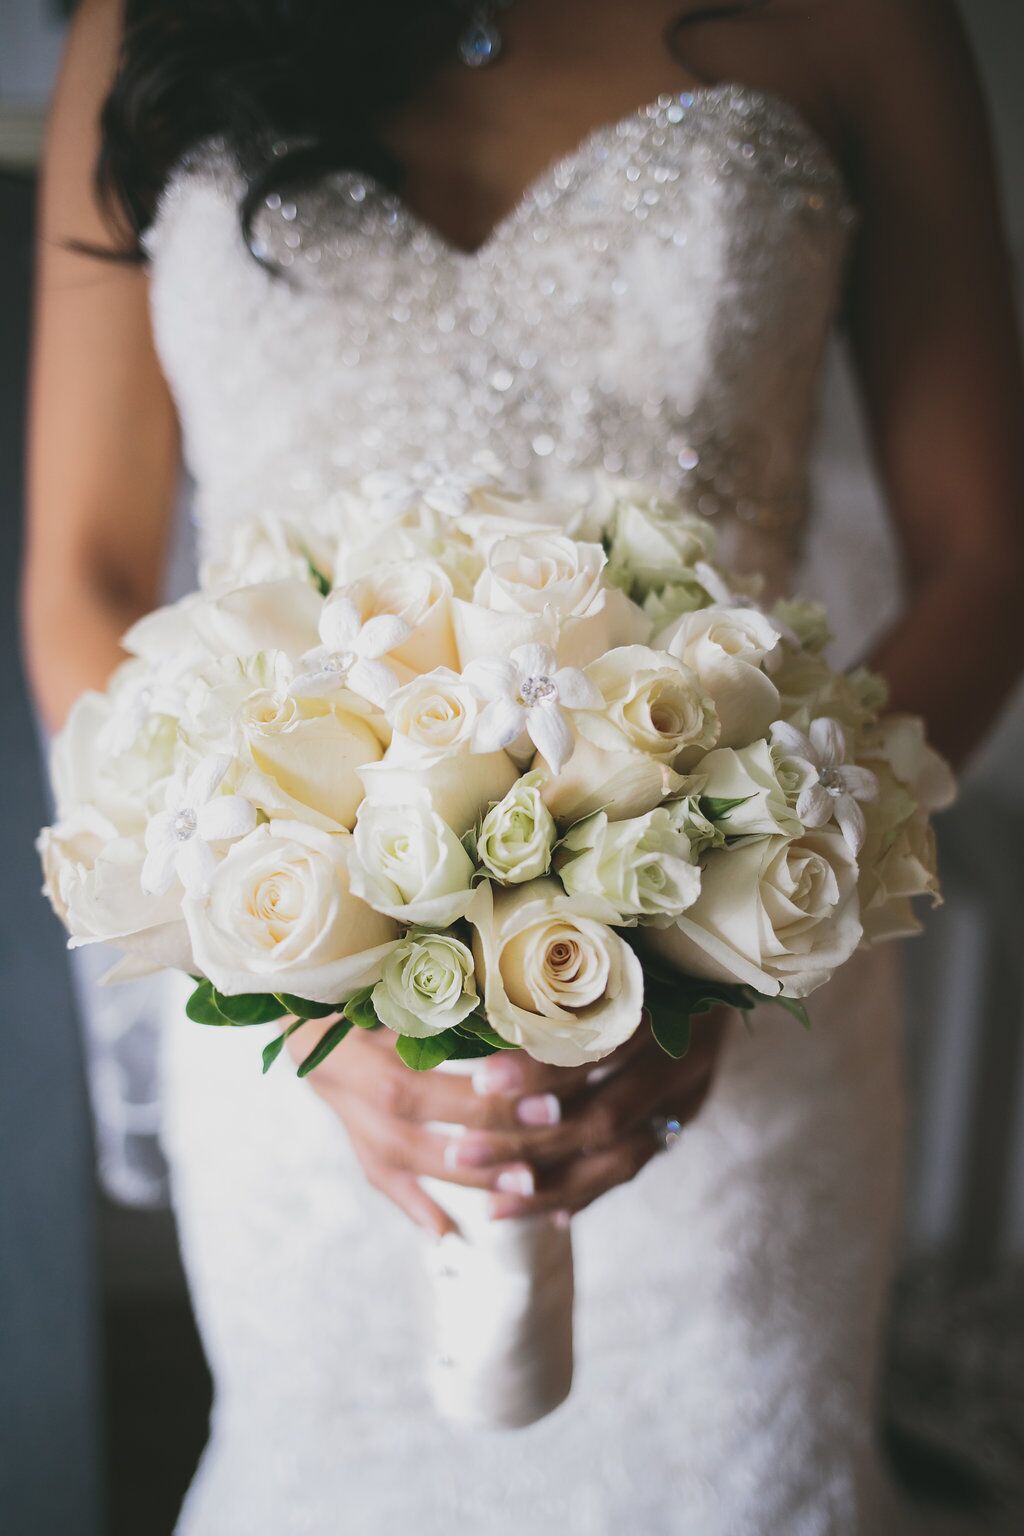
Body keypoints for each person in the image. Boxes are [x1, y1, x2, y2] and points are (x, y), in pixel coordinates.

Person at [22, 0, 1024, 1531]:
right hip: (305, 1008)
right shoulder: (142, 22)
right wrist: (305, 996)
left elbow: (986, 560)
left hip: (741, 1017)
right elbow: (81, 577)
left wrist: (723, 948)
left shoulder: (869, 22)